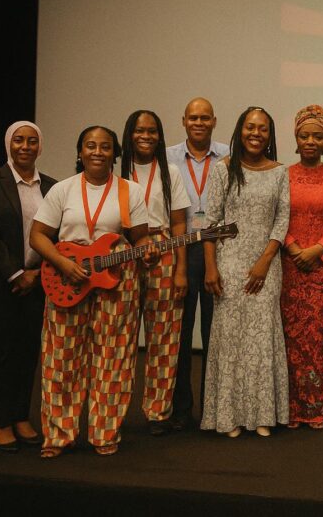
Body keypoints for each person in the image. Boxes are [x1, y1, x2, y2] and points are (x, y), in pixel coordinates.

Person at [30, 126, 156, 458]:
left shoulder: (129, 191)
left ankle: (105, 434)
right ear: (80, 152)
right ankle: (59, 436)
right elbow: (38, 235)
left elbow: (141, 237)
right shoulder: (63, 189)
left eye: (105, 147)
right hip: (67, 278)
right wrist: (63, 263)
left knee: (114, 359)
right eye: (90, 146)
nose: (98, 152)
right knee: (61, 360)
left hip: (116, 281)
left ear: (114, 154)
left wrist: (148, 250)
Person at [202, 106, 290, 438]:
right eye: (250, 127)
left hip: (266, 266)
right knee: (231, 339)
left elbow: (281, 220)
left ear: (270, 135)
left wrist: (265, 260)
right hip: (229, 263)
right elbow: (210, 223)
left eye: (263, 128)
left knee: (262, 338)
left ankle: (263, 415)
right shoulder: (223, 169)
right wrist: (211, 267)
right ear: (240, 131)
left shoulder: (280, 172)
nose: (256, 133)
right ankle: (230, 416)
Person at [0, 121, 56, 453]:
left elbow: (56, 237)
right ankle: (2, 422)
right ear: (9, 144)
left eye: (32, 141)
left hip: (38, 282)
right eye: (19, 140)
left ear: (40, 146)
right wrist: (16, 273)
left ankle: (21, 416)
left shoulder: (51, 186)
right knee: (2, 355)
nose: (25, 146)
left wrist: (35, 274)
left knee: (28, 353)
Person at [121, 110, 191, 436]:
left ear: (160, 136)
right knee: (121, 337)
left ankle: (157, 412)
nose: (145, 136)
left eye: (152, 131)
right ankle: (115, 411)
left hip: (164, 252)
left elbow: (178, 224)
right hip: (123, 253)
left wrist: (180, 270)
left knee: (163, 337)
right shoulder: (117, 170)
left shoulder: (169, 171)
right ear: (129, 134)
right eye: (139, 130)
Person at [281, 104, 323, 429]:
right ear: (296, 138)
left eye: (317, 136)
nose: (310, 141)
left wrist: (317, 248)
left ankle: (317, 408)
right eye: (304, 136)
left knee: (319, 341)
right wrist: (295, 248)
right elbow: (277, 217)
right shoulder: (283, 175)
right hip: (289, 267)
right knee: (290, 338)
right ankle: (291, 409)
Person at [166, 97, 230, 430]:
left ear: (214, 121)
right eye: (194, 118)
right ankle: (181, 409)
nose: (199, 123)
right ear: (184, 121)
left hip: (218, 251)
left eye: (205, 118)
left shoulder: (229, 157)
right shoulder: (168, 158)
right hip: (182, 250)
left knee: (214, 335)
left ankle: (211, 408)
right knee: (180, 334)